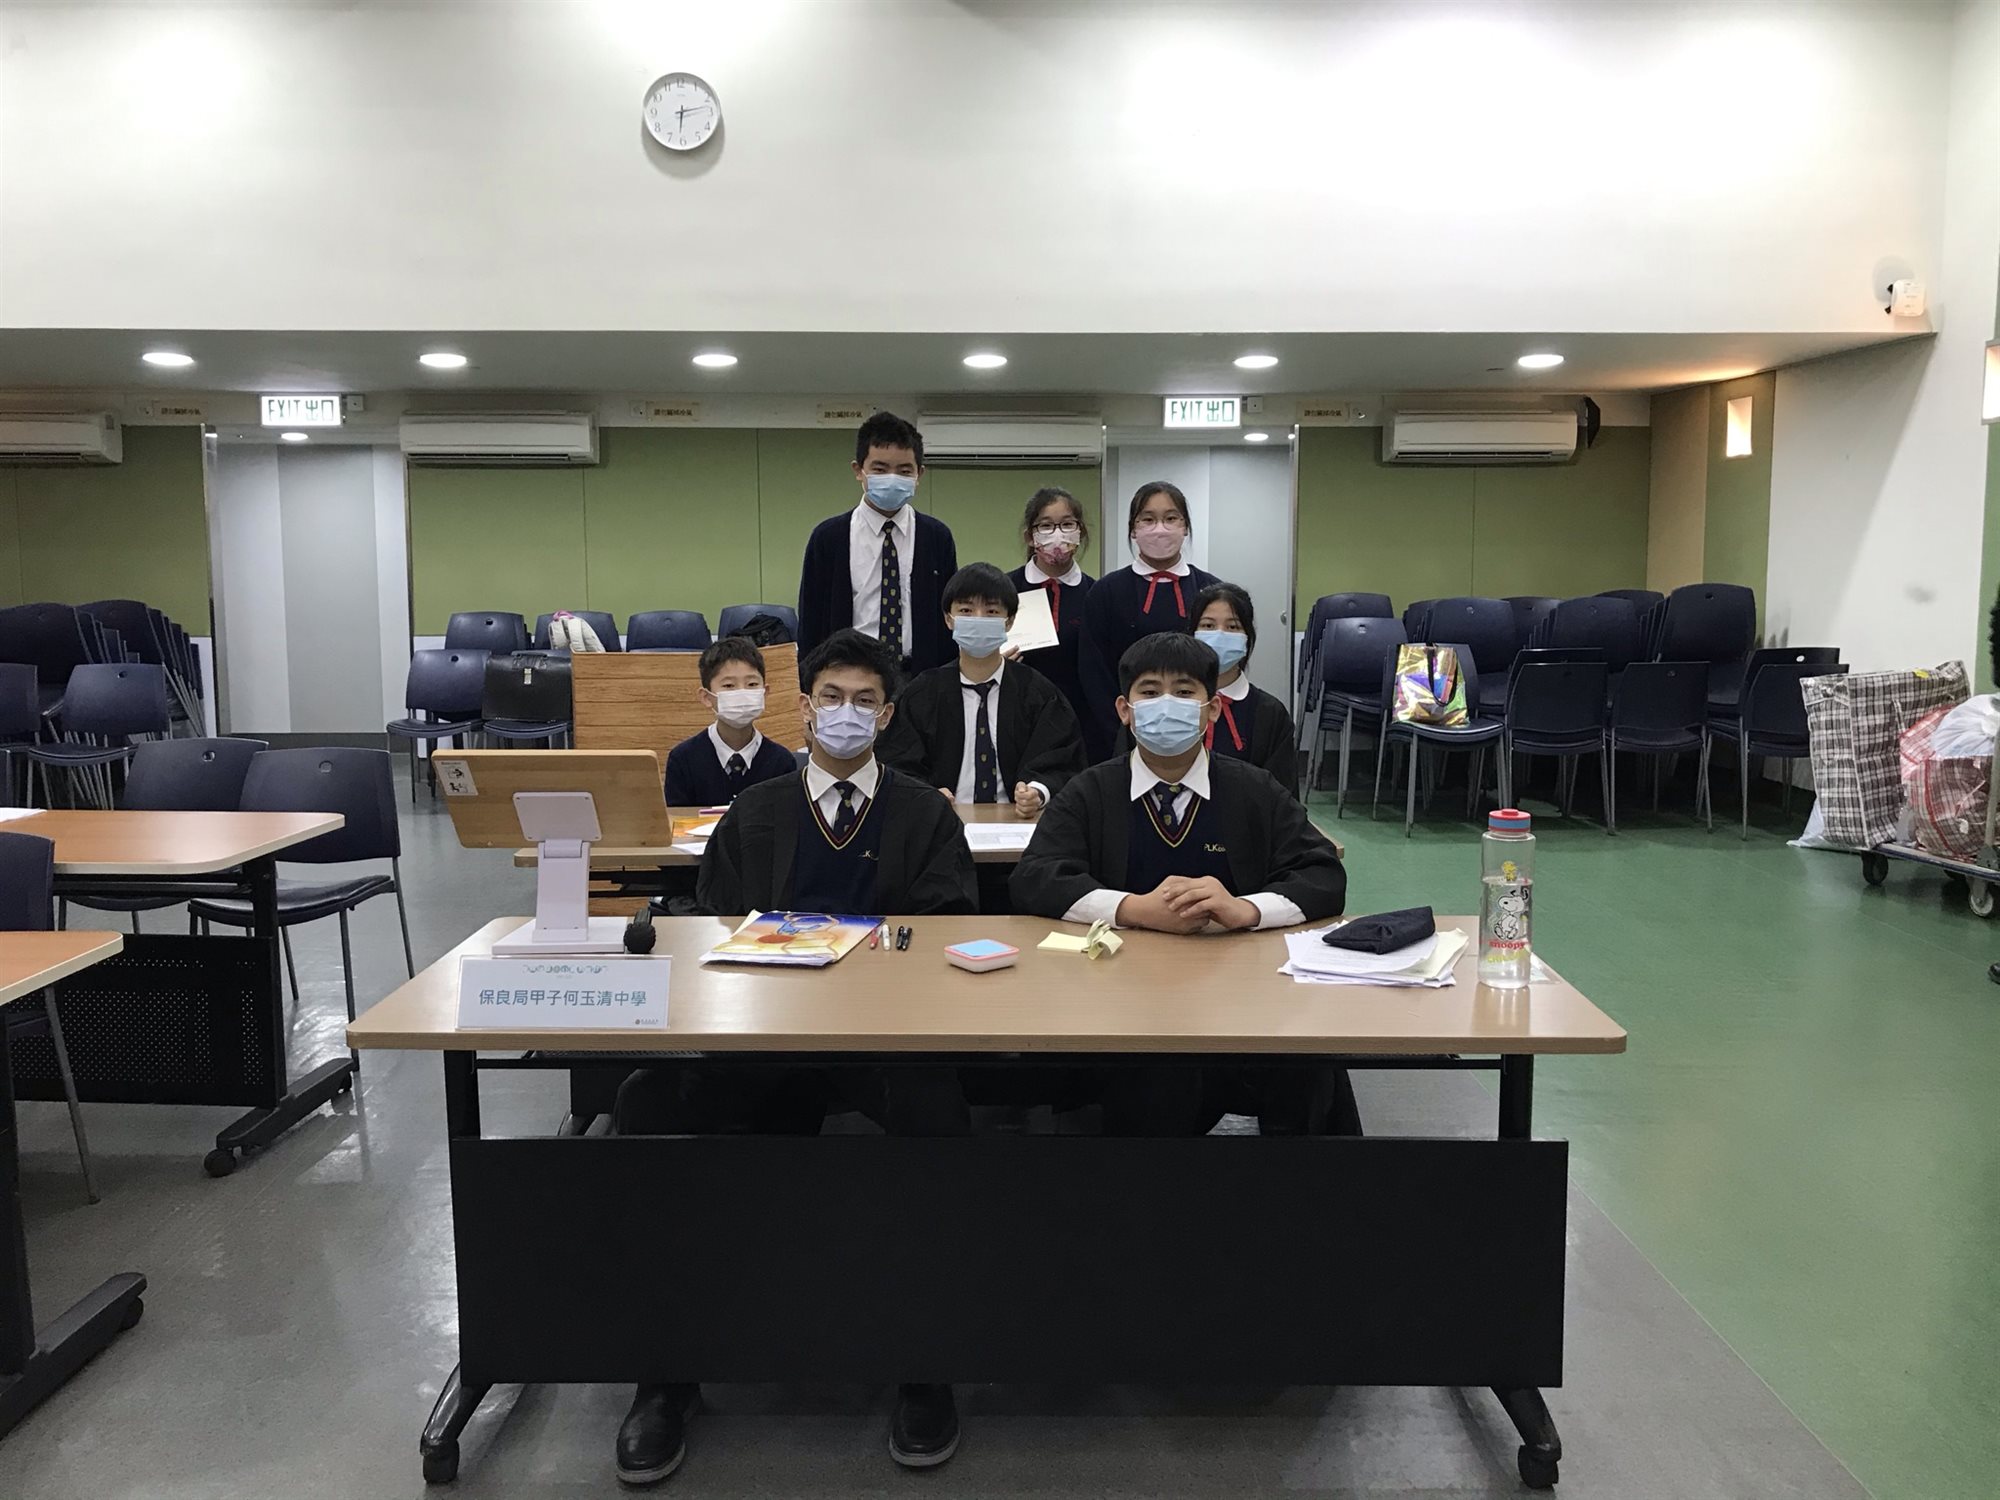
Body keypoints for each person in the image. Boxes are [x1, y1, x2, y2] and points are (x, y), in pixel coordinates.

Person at [612, 628, 974, 1485]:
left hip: (883, 1040)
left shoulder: (924, 813)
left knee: (940, 1118)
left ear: (886, 716)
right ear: (805, 707)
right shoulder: (757, 811)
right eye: (830, 698)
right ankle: (665, 1372)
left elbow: (947, 928)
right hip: (763, 1036)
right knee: (646, 1103)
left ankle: (927, 1363)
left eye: (864, 701)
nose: (846, 714)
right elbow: (713, 925)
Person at [1011, 631, 1352, 1137]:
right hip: (1120, 1004)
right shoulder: (1090, 791)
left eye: (1184, 691)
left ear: (1212, 709)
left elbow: (1323, 874)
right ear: (1125, 710)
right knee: (1157, 1085)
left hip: (1245, 1001)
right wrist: (1132, 909)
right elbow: (1034, 876)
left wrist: (1246, 909)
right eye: (1150, 692)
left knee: (1311, 1067)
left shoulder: (1253, 789)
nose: (1166, 704)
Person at [879, 562, 1085, 815]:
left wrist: (1037, 791)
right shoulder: (922, 693)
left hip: (1018, 823)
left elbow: (1061, 759)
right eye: (966, 610)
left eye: (991, 611)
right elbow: (898, 763)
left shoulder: (1038, 693)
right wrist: (926, 794)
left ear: (1009, 621)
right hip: (941, 822)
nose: (978, 619)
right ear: (948, 619)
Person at [797, 411, 958, 671]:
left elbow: (949, 618)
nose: (892, 478)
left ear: (919, 474)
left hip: (920, 675)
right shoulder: (828, 538)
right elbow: (810, 622)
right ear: (859, 470)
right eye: (880, 469)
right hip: (847, 673)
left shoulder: (937, 537)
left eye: (904, 471)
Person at [1077, 481, 1219, 761]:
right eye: (1148, 519)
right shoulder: (1105, 592)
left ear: (1185, 527)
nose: (1160, 528)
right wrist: (1124, 728)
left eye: (1171, 518)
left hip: (1196, 731)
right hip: (1121, 734)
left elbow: (1219, 668)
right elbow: (1094, 672)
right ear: (1133, 529)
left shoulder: (1210, 590)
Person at [660, 637, 798, 806]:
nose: (742, 693)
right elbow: (676, 817)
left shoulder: (781, 762)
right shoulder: (683, 759)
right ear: (706, 697)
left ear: (765, 692)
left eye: (752, 684)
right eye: (729, 686)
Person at [1005, 485, 1096, 739]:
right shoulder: (1005, 589)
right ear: (1029, 536)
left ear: (1080, 532)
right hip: (1019, 716)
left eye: (1067, 524)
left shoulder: (1096, 594)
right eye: (1045, 526)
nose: (1057, 534)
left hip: (1081, 722)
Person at [1191, 582, 1299, 792]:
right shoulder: (1170, 704)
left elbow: (1284, 798)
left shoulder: (1270, 713)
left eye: (1232, 627)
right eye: (1208, 626)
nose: (1219, 635)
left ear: (1248, 636)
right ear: (1192, 632)